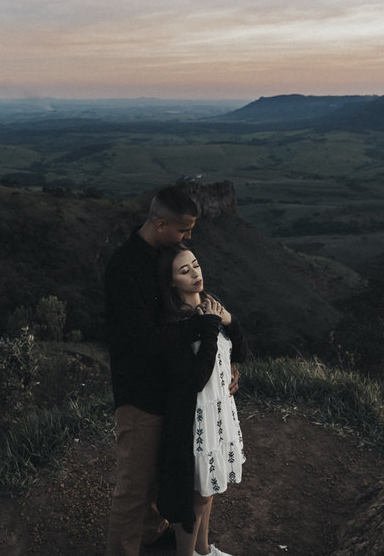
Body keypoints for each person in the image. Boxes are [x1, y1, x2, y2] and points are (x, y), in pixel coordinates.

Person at [103, 185, 207, 556]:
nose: (188, 237)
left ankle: (149, 533)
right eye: (184, 229)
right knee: (133, 487)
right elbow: (143, 340)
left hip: (169, 388)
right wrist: (201, 327)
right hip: (139, 393)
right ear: (161, 224)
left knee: (154, 475)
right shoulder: (124, 268)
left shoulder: (165, 256)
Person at [156, 244, 248, 556]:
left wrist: (228, 321)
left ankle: (204, 551)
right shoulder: (177, 323)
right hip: (197, 418)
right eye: (185, 271)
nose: (195, 273)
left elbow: (242, 352)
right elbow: (197, 378)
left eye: (195, 265)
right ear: (172, 282)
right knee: (195, 497)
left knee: (208, 494)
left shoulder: (211, 305)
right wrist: (209, 328)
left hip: (220, 411)